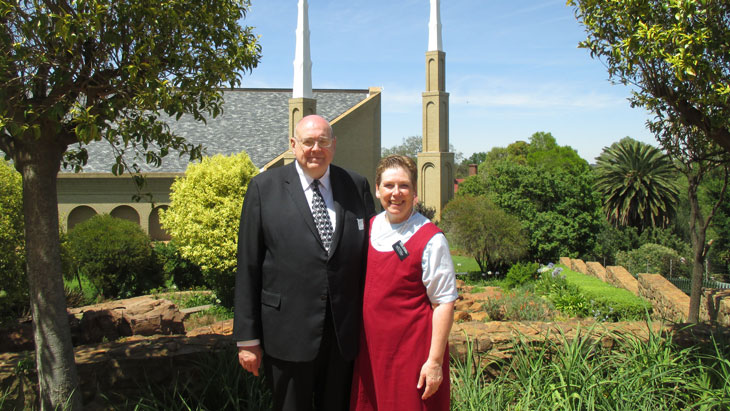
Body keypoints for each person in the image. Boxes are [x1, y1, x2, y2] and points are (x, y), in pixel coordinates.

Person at [234, 114, 375, 411]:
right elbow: (248, 265)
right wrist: (247, 338)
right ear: (293, 144)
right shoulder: (263, 189)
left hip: (343, 337)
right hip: (287, 333)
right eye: (308, 142)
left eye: (323, 141)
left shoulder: (356, 185)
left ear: (334, 145)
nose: (316, 149)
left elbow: (369, 260)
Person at [350, 155, 457, 411]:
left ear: (415, 192)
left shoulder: (430, 238)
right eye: (388, 185)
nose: (396, 193)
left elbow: (444, 303)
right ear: (377, 190)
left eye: (404, 186)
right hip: (370, 352)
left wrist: (433, 362)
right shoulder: (369, 227)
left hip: (411, 354)